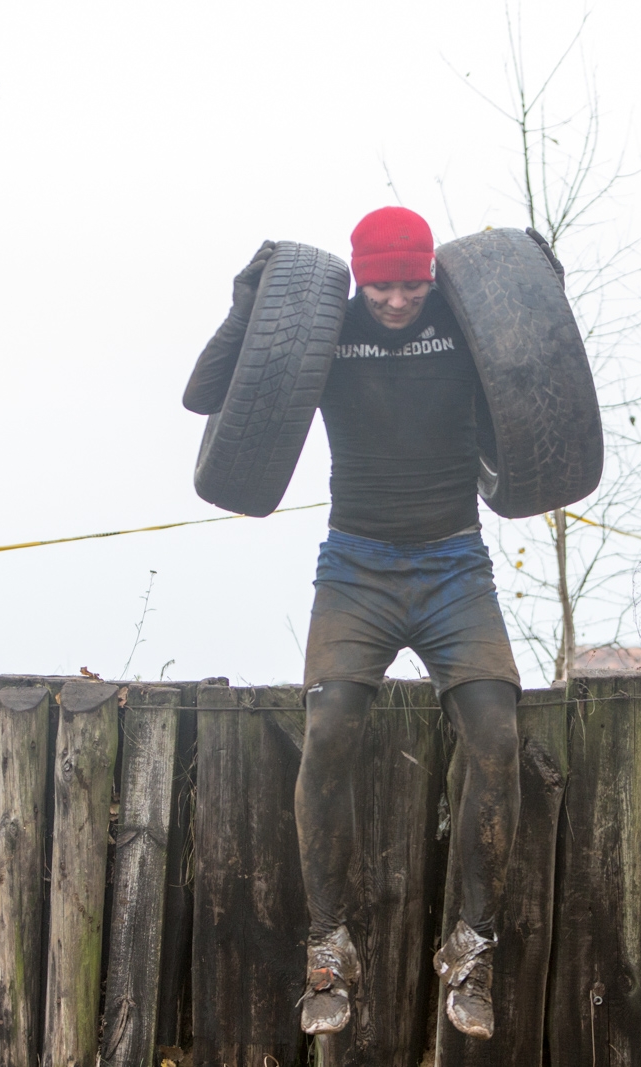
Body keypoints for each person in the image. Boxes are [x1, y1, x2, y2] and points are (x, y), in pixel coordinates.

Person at [183, 207, 534, 1041]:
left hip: (455, 567)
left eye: (411, 284)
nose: (397, 300)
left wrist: (541, 286)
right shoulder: (321, 333)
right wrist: (246, 299)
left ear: (431, 276)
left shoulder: (466, 325)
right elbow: (202, 394)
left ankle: (474, 945)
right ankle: (330, 943)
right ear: (359, 278)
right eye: (382, 286)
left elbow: (538, 376)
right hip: (356, 569)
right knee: (329, 727)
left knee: (496, 734)